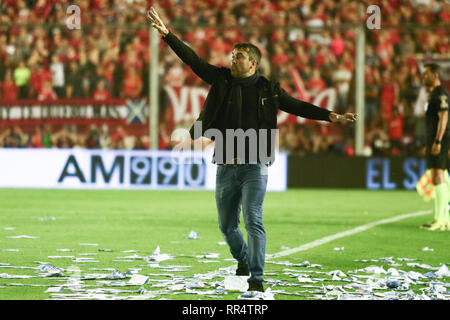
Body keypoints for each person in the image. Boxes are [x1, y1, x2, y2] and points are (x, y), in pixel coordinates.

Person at [147, 7, 357, 293]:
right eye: (233, 55)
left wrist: (330, 115)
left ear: (253, 63)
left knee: (254, 220)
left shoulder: (269, 89)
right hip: (224, 164)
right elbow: (193, 60)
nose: (233, 59)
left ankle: (256, 279)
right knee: (227, 227)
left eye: (239, 56)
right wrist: (168, 35)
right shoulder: (220, 79)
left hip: (255, 164)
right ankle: (243, 260)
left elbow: (298, 106)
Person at [420, 63, 450, 231]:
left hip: (441, 140)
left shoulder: (440, 94)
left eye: (426, 74)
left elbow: (444, 117)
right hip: (435, 140)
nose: (424, 77)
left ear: (435, 75)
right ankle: (444, 219)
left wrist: (438, 141)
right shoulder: (433, 94)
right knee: (440, 177)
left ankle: (440, 219)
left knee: (438, 176)